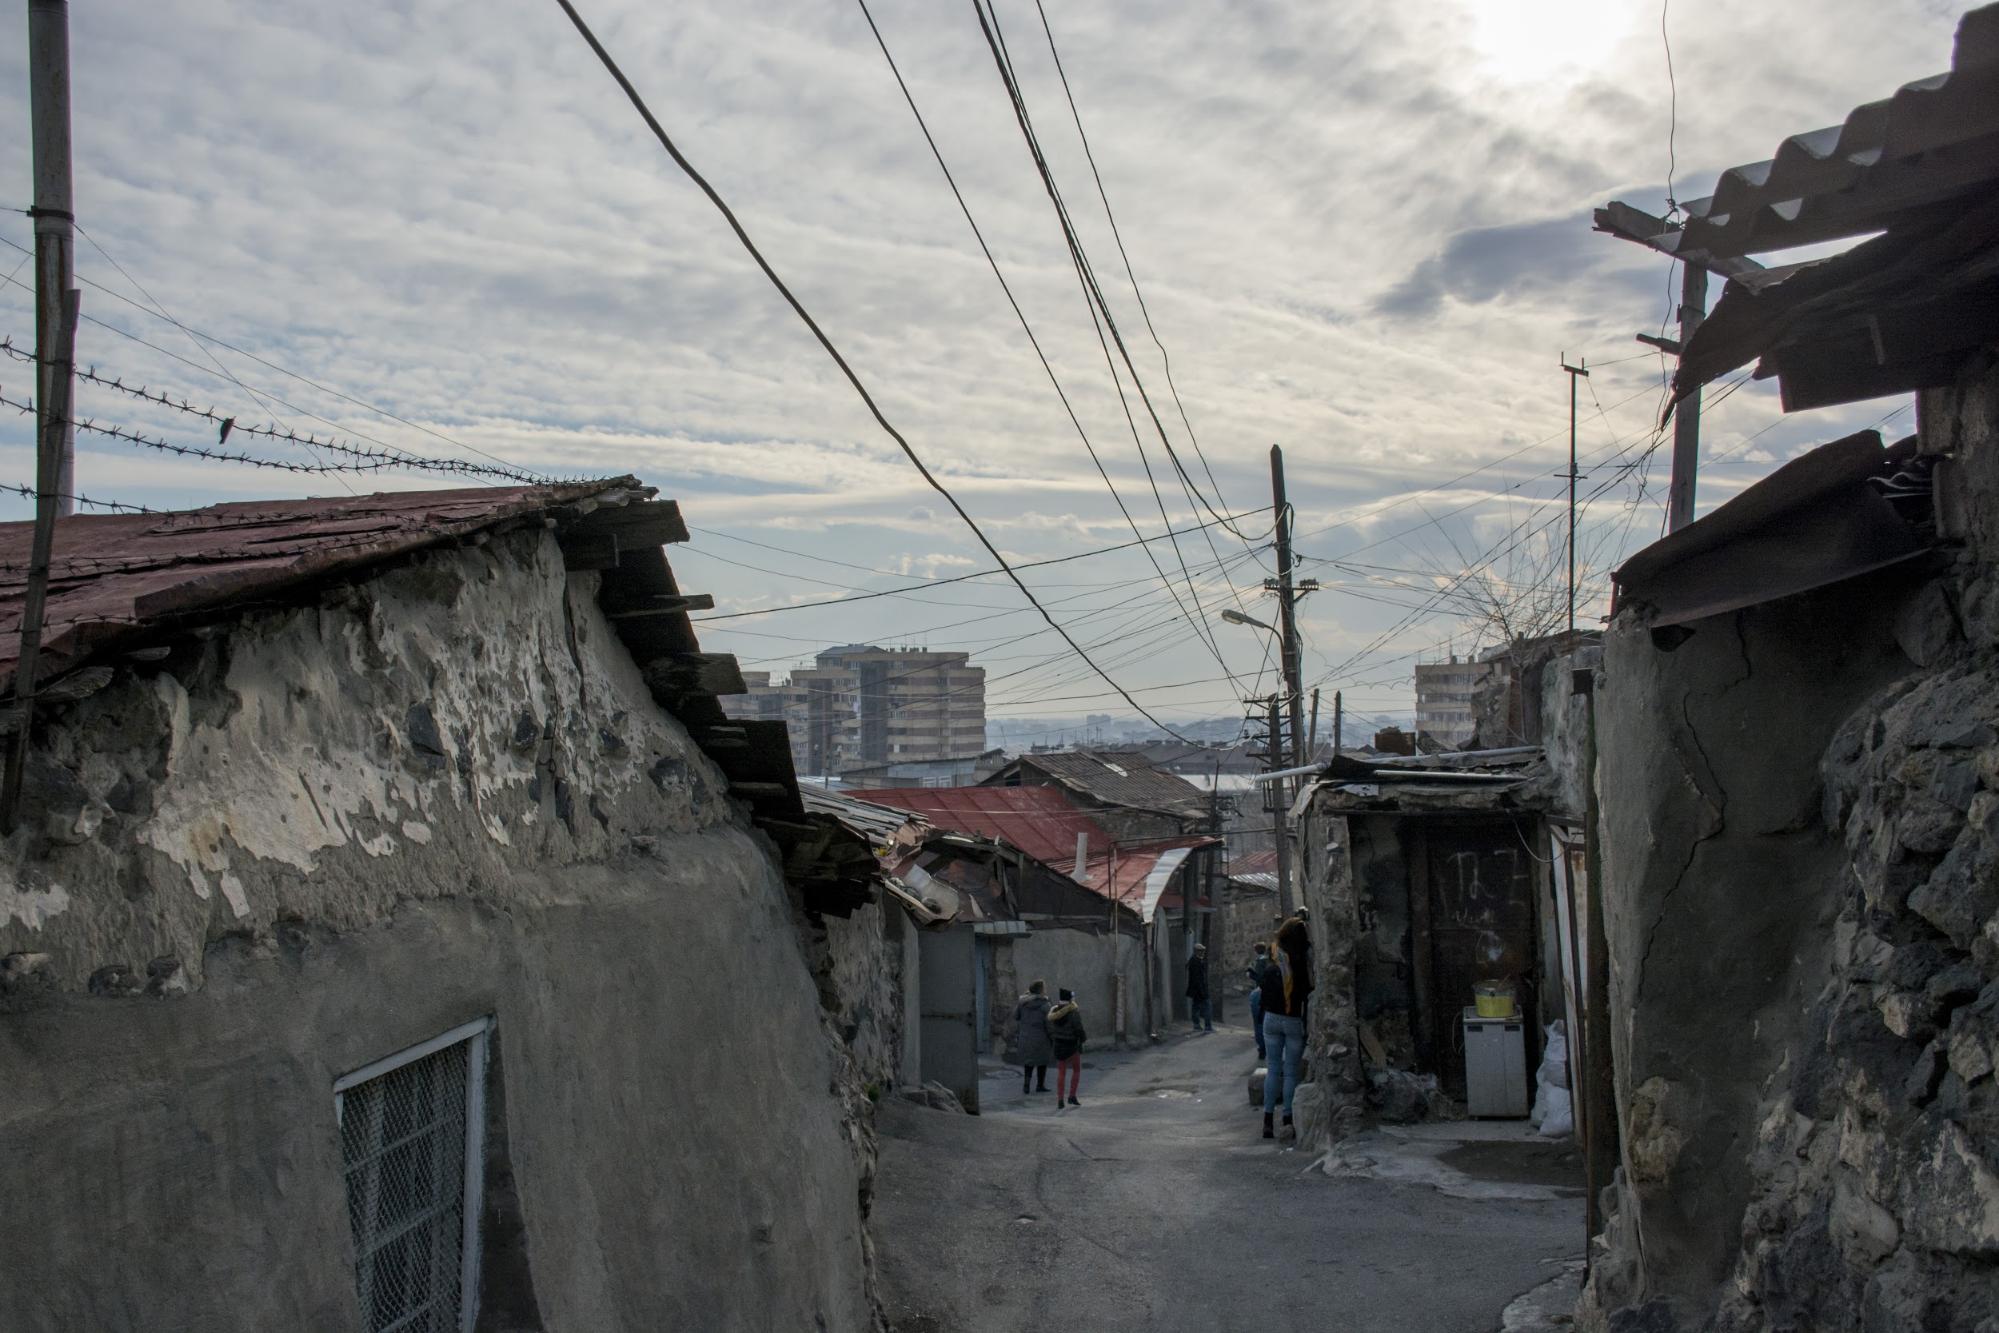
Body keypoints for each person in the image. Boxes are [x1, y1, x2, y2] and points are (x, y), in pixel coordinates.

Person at [1259, 916, 1314, 1141]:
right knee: (1290, 1072)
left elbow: (1262, 987)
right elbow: (1307, 991)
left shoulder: (1275, 955)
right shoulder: (1301, 960)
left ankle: (1267, 1121)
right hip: (1292, 1019)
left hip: (1271, 1018)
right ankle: (1288, 1119)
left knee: (1273, 1069)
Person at [1048, 987, 1087, 1108]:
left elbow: (1051, 1029)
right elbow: (1078, 1028)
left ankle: (1060, 1100)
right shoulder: (1073, 1013)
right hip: (1071, 1045)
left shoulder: (1054, 1012)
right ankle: (1072, 1096)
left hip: (1058, 1045)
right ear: (1070, 1000)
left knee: (1061, 1072)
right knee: (1076, 1070)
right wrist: (1083, 1038)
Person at [1013, 980, 1054, 1095]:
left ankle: (1026, 1086)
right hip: (1041, 1038)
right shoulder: (1045, 1005)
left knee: (1029, 1062)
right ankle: (1040, 1085)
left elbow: (1016, 1016)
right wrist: (1053, 1037)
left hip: (1025, 1037)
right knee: (1042, 1062)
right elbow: (1049, 1024)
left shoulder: (1022, 1003)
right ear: (1041, 990)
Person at [1245, 942, 1271, 1060]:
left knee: (1259, 1023)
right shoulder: (1268, 960)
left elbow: (1260, 978)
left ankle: (1262, 1048)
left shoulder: (1260, 962)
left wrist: (1250, 974)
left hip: (1261, 993)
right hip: (1268, 993)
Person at [1185, 943, 1214, 1032]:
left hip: (1196, 989)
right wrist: (1202, 991)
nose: (1203, 953)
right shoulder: (1196, 962)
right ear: (1197, 951)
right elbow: (1197, 978)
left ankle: (1197, 1025)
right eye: (1201, 951)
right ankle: (1207, 1026)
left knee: (1196, 1007)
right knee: (1207, 1007)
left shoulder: (1195, 960)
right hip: (1199, 989)